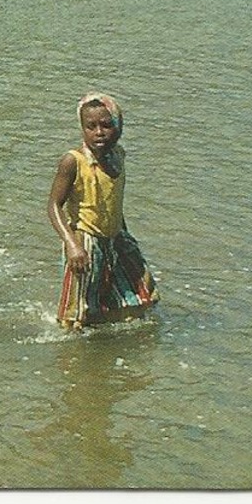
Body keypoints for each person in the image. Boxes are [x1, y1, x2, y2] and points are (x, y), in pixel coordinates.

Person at [47, 94, 157, 329]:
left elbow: (113, 200)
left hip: (115, 236)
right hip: (85, 239)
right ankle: (76, 355)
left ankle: (109, 342)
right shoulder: (73, 161)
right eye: (91, 127)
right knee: (77, 313)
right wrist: (71, 244)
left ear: (118, 127)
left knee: (141, 297)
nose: (99, 132)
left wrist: (124, 236)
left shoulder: (118, 156)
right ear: (82, 128)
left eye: (107, 125)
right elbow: (54, 205)